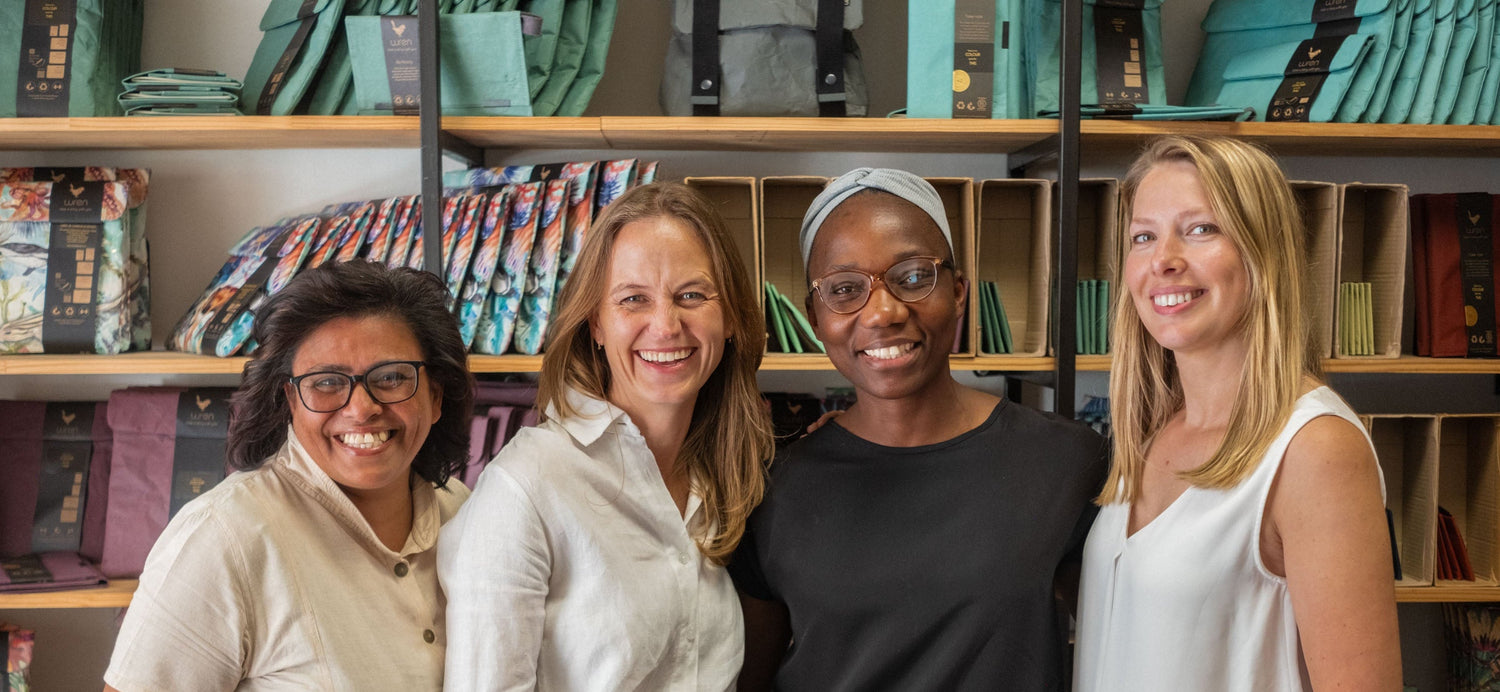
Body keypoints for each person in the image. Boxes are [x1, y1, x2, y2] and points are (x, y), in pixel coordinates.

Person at [732, 168, 1109, 691]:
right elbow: (749, 677)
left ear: (958, 293)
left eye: (912, 277)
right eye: (845, 289)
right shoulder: (772, 487)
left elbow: (1125, 640)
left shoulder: (1066, 461)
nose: (883, 312)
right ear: (815, 320)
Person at [1072, 135, 1402, 691]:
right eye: (1143, 236)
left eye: (1201, 229)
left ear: (1262, 250)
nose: (1164, 261)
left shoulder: (1314, 448)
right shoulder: (1150, 430)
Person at [438, 182, 773, 690]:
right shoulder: (526, 487)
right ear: (595, 322)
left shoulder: (731, 474)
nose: (665, 325)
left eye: (691, 295)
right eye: (633, 299)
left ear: (729, 318)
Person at [103, 260, 474, 691]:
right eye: (326, 382)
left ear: (435, 396)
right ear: (290, 401)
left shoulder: (466, 515)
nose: (361, 408)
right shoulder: (225, 536)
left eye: (391, 377)